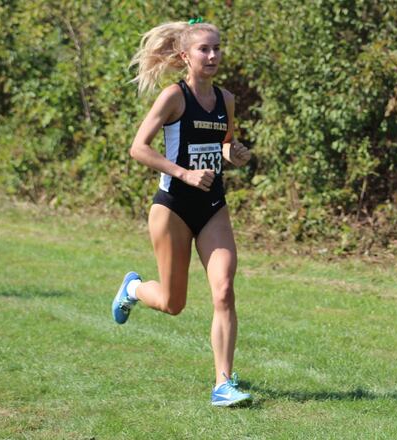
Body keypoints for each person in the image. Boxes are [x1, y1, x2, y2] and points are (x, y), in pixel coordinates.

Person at [111, 18, 253, 407]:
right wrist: (183, 173)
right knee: (174, 304)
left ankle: (223, 383)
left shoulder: (226, 99)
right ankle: (133, 289)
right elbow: (139, 148)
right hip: (172, 207)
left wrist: (233, 154)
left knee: (224, 290)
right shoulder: (174, 96)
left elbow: (220, 144)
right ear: (184, 56)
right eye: (204, 49)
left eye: (217, 48)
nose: (212, 55)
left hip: (212, 206)